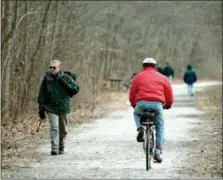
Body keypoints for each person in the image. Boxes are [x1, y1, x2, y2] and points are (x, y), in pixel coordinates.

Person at [129, 57, 174, 163]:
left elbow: (132, 93)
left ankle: (140, 128)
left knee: (136, 114)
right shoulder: (162, 77)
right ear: (155, 66)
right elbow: (169, 93)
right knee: (160, 127)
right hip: (157, 104)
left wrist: (133, 104)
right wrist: (168, 104)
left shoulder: (137, 77)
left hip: (141, 103)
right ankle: (158, 152)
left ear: (143, 66)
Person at [37, 60, 79, 155]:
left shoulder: (66, 78)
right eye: (50, 67)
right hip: (51, 107)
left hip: (63, 107)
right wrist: (41, 108)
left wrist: (65, 83)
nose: (52, 69)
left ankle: (61, 145)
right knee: (54, 127)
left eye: (54, 67)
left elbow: (75, 89)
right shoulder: (46, 79)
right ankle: (54, 148)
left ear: (59, 68)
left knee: (63, 129)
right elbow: (41, 94)